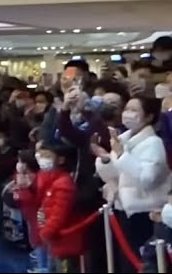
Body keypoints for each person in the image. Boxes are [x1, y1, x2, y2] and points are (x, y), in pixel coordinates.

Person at [95, 96, 172, 273]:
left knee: (144, 262)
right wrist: (106, 159)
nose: (128, 114)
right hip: (125, 209)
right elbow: (114, 175)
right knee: (126, 262)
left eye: (135, 110)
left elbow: (147, 178)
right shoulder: (123, 139)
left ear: (149, 116)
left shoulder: (154, 143)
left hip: (147, 212)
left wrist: (122, 156)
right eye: (127, 109)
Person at [18, 143, 86, 273]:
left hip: (65, 242)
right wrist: (28, 188)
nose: (42, 159)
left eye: (47, 156)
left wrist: (45, 233)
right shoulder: (46, 179)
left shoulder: (64, 183)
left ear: (60, 159)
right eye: (40, 155)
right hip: (54, 242)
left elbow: (59, 214)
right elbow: (37, 203)